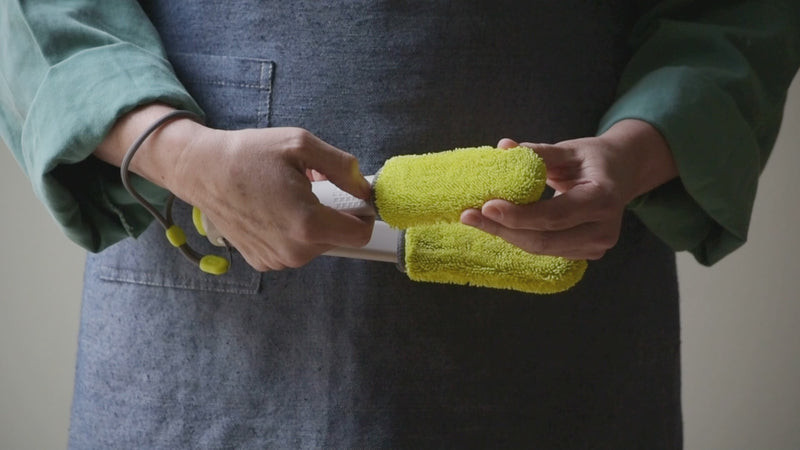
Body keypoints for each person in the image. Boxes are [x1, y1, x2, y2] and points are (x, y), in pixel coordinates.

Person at [2, 0, 798, 448]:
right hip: (204, 341)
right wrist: (172, 149)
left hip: (556, 334)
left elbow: (736, 16)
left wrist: (636, 151)